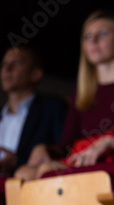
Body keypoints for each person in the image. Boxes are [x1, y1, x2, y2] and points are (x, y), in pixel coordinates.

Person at [14, 10, 114, 180]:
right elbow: (66, 145)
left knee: (46, 172)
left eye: (103, 33)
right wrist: (45, 149)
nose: (93, 41)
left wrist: (109, 142)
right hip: (84, 164)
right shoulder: (83, 90)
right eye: (87, 36)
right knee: (22, 173)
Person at [0, 45, 67, 175]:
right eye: (4, 64)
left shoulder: (53, 108)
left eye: (17, 63)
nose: (7, 69)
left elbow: (64, 152)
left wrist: (17, 161)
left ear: (35, 74)